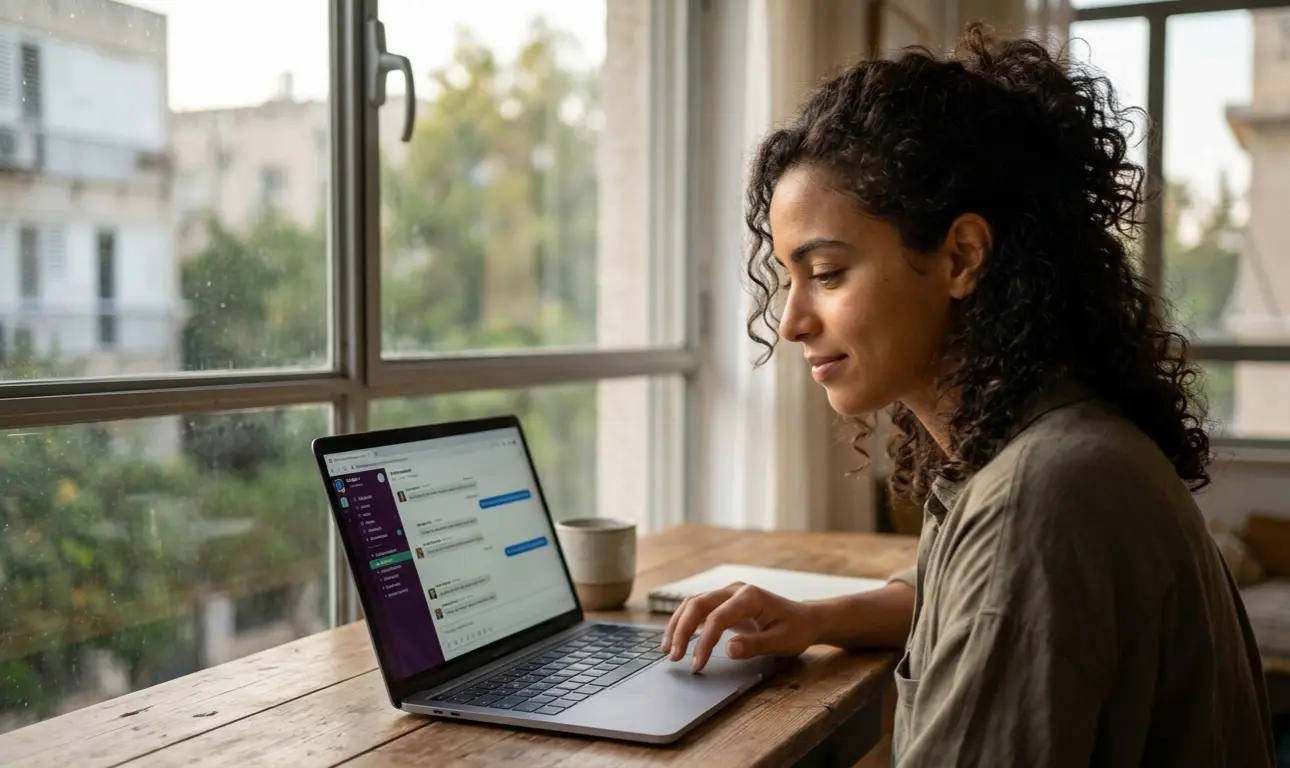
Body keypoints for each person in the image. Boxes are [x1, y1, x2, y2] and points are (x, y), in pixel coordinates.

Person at [661, 25, 1275, 766]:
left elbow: (1002, 588)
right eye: (787, 279)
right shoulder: (1041, 444)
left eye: (825, 273)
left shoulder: (1040, 497)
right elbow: (956, 597)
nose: (790, 322)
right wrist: (809, 617)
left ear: (960, 257)